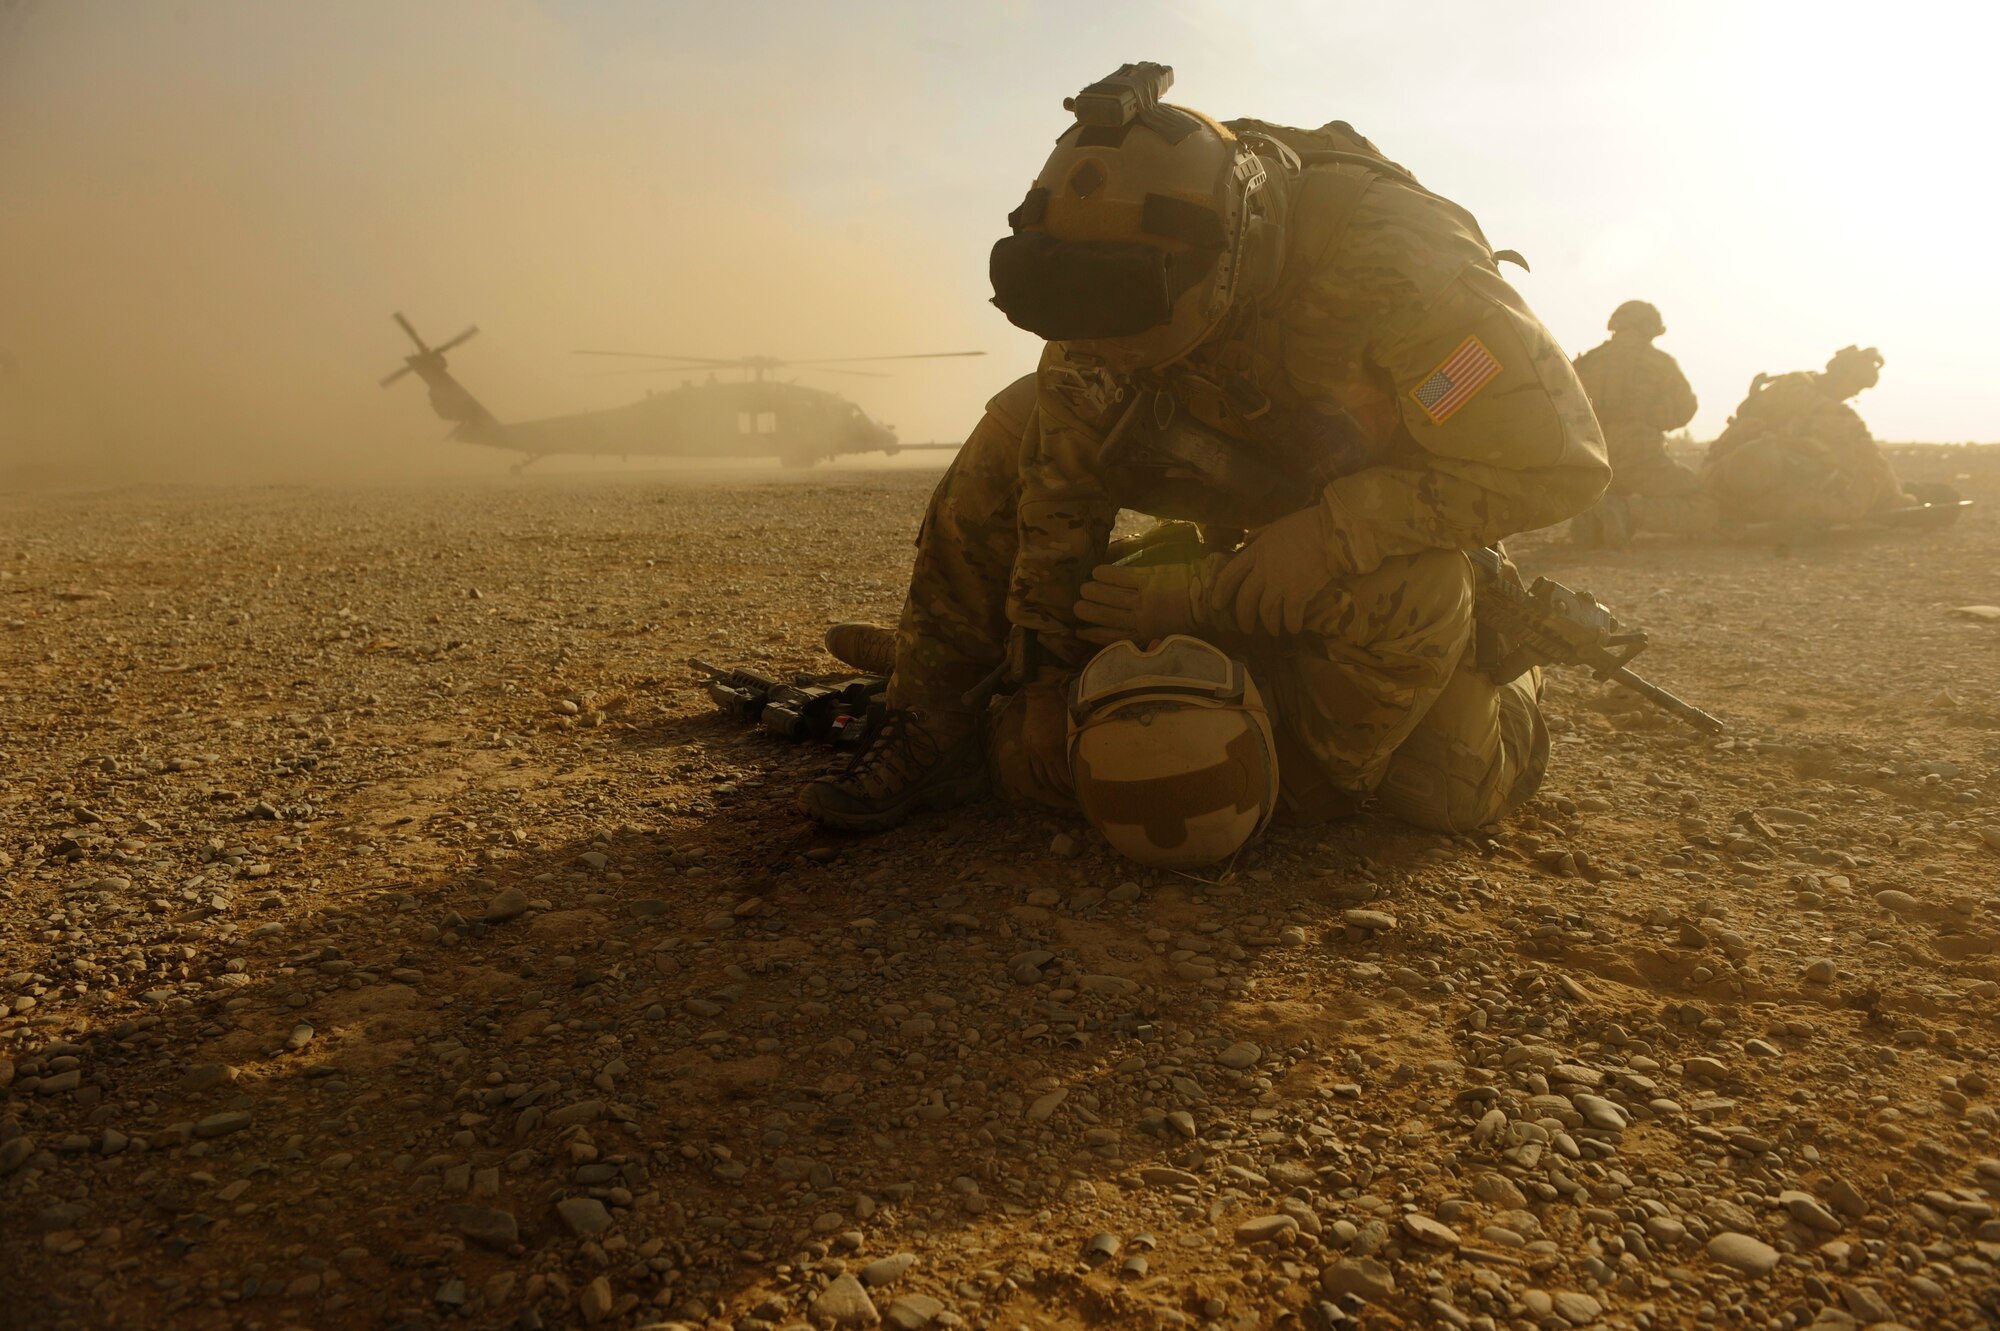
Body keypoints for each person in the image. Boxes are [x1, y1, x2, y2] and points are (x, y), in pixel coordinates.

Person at [798, 63, 1608, 859]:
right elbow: (1060, 493)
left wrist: (1332, 533)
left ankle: (1419, 694)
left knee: (1440, 789)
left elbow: (1555, 464)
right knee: (1022, 421)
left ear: (1219, 261)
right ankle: (934, 711)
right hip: (1235, 454)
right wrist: (1044, 682)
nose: (1098, 348)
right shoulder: (1106, 279)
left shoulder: (1405, 277)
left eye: (1124, 323)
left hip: (1381, 497)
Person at [1703, 346, 1911, 525]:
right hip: (1750, 481)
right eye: (1855, 386)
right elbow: (1867, 453)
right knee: (1849, 501)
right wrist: (1895, 498)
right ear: (1843, 378)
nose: (1853, 394)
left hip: (1723, 481)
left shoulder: (1793, 388)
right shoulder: (1816, 403)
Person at [1567, 301, 1715, 545]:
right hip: (1642, 458)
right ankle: (1626, 512)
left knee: (1608, 491)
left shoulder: (1587, 362)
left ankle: (1597, 515)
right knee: (1705, 504)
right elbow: (1687, 406)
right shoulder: (1657, 361)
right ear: (1648, 327)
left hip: (1593, 461)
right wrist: (1661, 418)